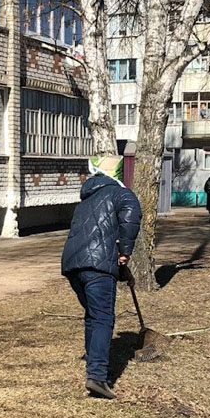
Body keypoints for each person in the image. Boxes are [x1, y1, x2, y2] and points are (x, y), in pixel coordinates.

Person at [62, 155, 142, 399]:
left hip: (73, 265)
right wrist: (125, 252)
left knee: (93, 316)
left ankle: (93, 366)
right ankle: (97, 376)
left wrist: (120, 271)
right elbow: (131, 216)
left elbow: (96, 237)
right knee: (103, 318)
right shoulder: (121, 194)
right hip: (97, 267)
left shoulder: (86, 200)